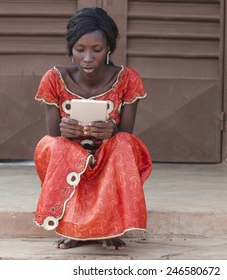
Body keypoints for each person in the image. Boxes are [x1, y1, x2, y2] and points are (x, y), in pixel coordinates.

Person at [33, 7, 152, 250]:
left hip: (108, 159)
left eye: (97, 50)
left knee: (124, 144)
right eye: (80, 50)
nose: (88, 58)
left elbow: (127, 135)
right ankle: (73, 228)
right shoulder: (54, 79)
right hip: (71, 157)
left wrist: (113, 131)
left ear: (108, 49)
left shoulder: (127, 80)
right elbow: (53, 134)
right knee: (52, 145)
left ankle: (111, 227)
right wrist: (65, 130)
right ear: (70, 49)